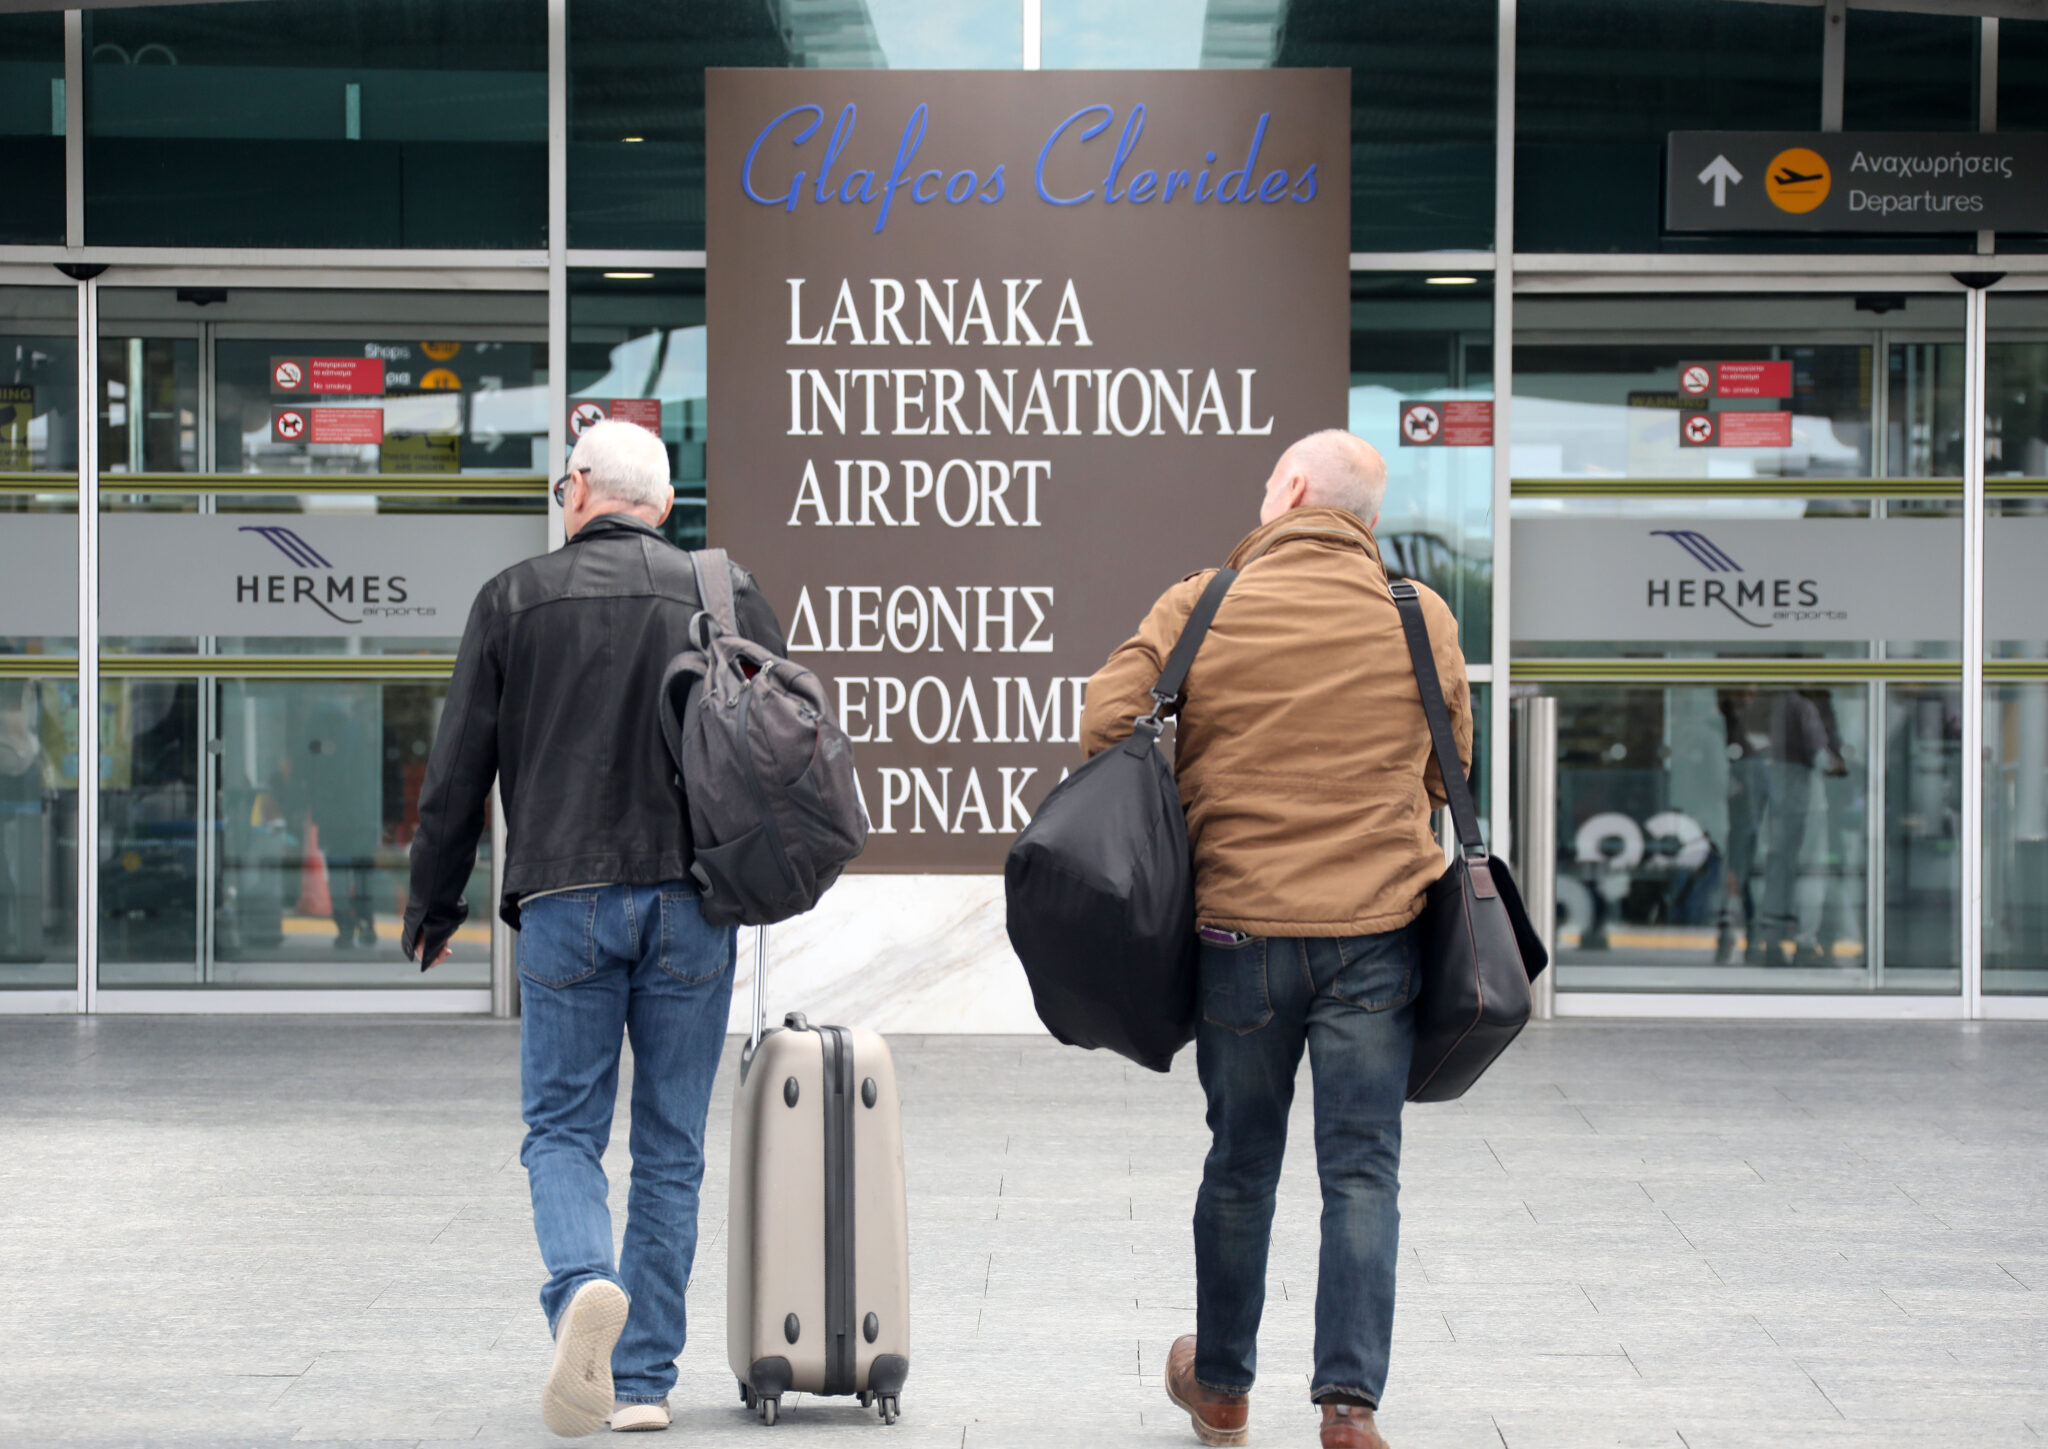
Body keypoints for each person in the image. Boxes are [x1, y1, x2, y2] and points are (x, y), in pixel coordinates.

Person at [1080, 430, 1471, 1449]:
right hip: (1376, 936)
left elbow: (1104, 722)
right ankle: (1348, 1406)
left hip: (1238, 932)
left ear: (1292, 489)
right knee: (1362, 1170)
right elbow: (1449, 771)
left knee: (1240, 1163)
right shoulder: (1418, 614)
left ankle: (1219, 1389)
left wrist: (1203, 781)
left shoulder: (1203, 602)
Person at [402, 419, 786, 1437]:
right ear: (663, 504)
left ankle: (582, 1283)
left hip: (562, 899)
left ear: (577, 490)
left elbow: (457, 770)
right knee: (670, 1144)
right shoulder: (722, 593)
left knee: (563, 1129)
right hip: (690, 901)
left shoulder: (512, 598)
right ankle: (643, 1380)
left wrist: (433, 902)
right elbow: (778, 744)